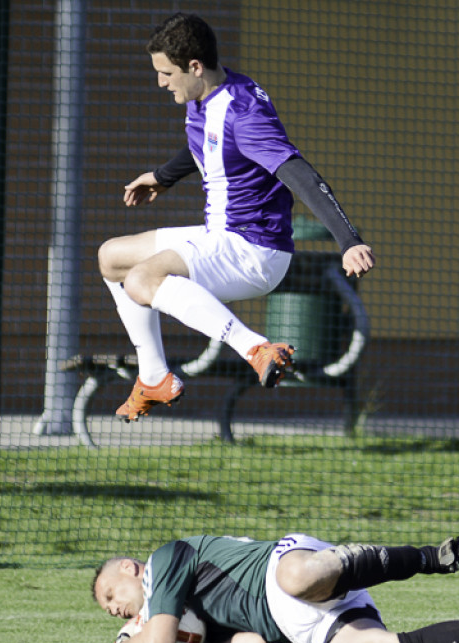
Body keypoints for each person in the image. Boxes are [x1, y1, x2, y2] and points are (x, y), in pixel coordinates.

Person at [98, 12, 376, 422]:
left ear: (194, 67)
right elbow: (210, 145)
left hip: (254, 250)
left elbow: (298, 172)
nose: (160, 82)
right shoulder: (204, 95)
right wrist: (162, 177)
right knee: (112, 257)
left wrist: (348, 241)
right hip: (223, 234)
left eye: (166, 73)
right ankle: (154, 376)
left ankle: (256, 348)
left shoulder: (243, 113)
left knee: (142, 279)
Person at [92, 534, 459, 643]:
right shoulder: (188, 617)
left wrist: (124, 641)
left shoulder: (164, 561)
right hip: (301, 625)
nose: (114, 608)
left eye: (111, 595)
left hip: (284, 572)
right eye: (109, 608)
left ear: (131, 569)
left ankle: (437, 556)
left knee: (296, 577)